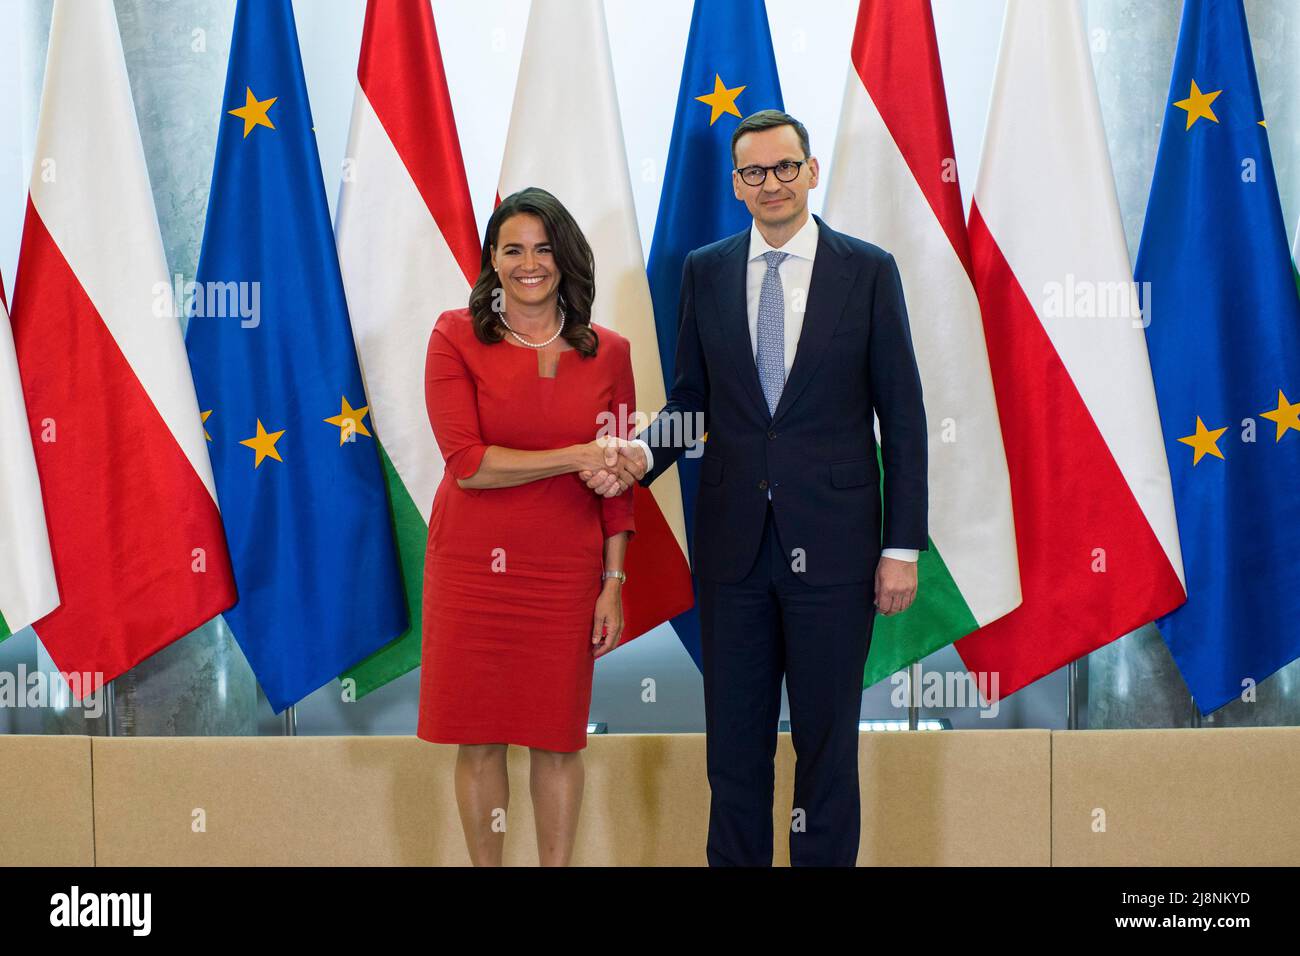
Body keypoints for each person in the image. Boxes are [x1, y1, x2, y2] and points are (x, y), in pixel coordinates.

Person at [584, 110, 929, 866]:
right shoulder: (704, 271)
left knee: (827, 750)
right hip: (733, 553)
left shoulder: (867, 271)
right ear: (736, 185)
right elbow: (693, 404)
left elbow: (903, 418)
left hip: (837, 554)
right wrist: (642, 456)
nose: (770, 183)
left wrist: (900, 548)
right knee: (734, 754)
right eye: (753, 172)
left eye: (784, 168)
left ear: (810, 172)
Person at [417, 186, 640, 867]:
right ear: (492, 259)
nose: (529, 263)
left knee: (559, 738)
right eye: (512, 249)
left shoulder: (611, 351)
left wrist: (614, 581)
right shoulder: (455, 335)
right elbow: (469, 465)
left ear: (566, 258)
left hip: (566, 572)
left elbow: (618, 488)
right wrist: (577, 454)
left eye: (544, 248)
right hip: (471, 570)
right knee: (479, 737)